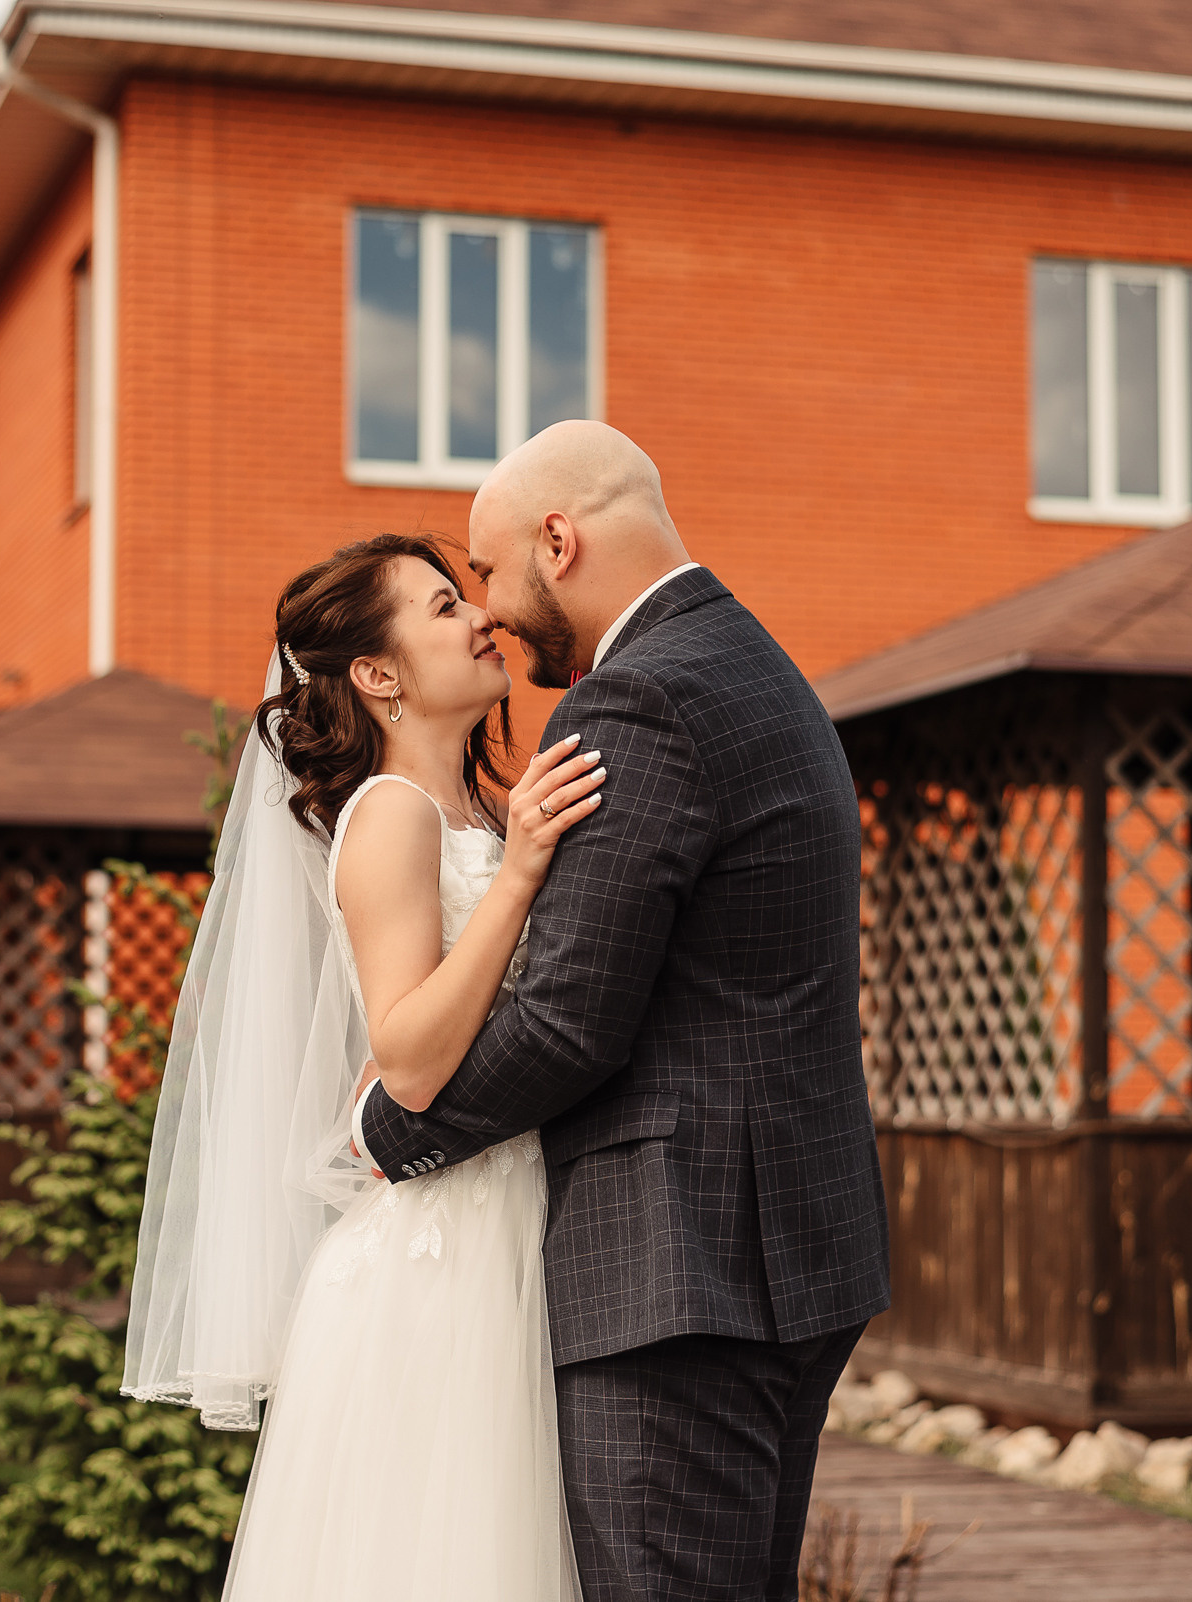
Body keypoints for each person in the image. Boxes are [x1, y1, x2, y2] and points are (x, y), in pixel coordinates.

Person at [352, 421, 892, 1602]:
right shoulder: (753, 664)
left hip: (675, 1270)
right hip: (785, 1248)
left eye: (489, 573)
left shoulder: (635, 700)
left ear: (559, 542)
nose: (490, 613)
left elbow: (566, 1021)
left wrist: (387, 1132)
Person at [123, 531, 602, 1599]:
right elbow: (411, 1059)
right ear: (379, 677)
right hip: (444, 1251)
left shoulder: (483, 810)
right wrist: (521, 875)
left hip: (507, 1212)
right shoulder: (391, 816)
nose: (481, 617)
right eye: (444, 608)